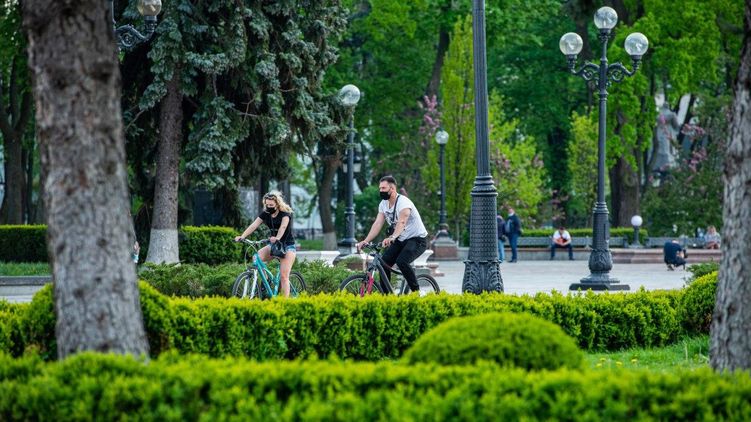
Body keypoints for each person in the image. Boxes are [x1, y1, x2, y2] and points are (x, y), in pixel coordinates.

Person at [356, 175, 428, 293]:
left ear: (392, 189)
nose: (381, 191)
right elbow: (378, 223)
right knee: (384, 263)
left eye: (383, 188)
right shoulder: (383, 204)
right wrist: (366, 240)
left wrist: (392, 237)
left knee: (402, 261)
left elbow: (402, 222)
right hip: (400, 239)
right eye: (380, 188)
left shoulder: (404, 203)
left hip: (417, 239)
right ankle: (387, 296)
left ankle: (417, 292)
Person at [234, 190, 297, 297]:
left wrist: (277, 238)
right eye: (267, 205)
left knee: (284, 277)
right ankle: (266, 279)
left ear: (277, 204)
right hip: (274, 245)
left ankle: (285, 304)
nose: (269, 207)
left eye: (271, 205)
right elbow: (254, 225)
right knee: (256, 257)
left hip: (287, 247)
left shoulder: (285, 214)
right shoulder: (266, 214)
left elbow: (283, 227)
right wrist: (242, 236)